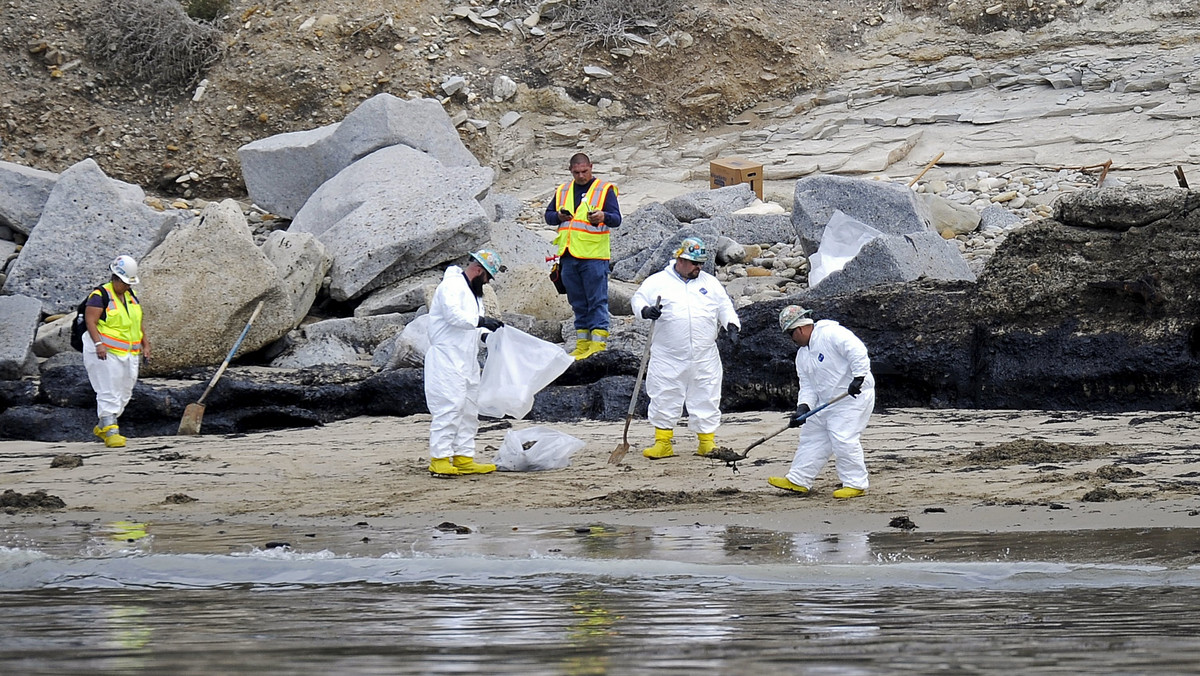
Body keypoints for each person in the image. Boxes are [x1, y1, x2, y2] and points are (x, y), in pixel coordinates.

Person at [630, 237, 740, 459]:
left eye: (700, 263)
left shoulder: (709, 283)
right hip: (668, 355)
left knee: (707, 395)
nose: (697, 267)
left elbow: (724, 305)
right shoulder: (658, 282)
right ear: (679, 259)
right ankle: (663, 442)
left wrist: (731, 324)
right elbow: (638, 298)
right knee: (664, 395)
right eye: (692, 263)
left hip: (704, 354)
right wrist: (645, 311)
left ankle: (706, 442)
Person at [769, 305, 875, 498]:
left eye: (790, 334)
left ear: (799, 329)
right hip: (826, 401)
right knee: (812, 435)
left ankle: (856, 484)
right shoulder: (802, 356)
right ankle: (799, 479)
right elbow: (808, 386)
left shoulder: (831, 333)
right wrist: (803, 408)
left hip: (852, 396)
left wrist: (859, 377)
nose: (791, 340)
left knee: (843, 437)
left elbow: (857, 351)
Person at [424, 249, 506, 477]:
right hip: (446, 359)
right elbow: (454, 317)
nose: (488, 282)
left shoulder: (473, 294)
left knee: (469, 409)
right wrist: (481, 321)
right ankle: (440, 459)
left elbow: (469, 328)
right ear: (479, 270)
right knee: (449, 407)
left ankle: (463, 456)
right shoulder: (450, 286)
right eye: (488, 277)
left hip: (466, 359)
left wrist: (485, 335)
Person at [544, 153, 621, 360]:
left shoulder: (604, 190)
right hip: (568, 254)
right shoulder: (563, 190)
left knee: (596, 300)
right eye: (577, 172)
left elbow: (616, 219)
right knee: (577, 302)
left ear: (591, 168)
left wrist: (603, 216)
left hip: (594, 256)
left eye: (584, 171)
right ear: (570, 170)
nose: (581, 176)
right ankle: (582, 343)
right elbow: (548, 216)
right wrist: (559, 216)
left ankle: (598, 343)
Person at [83, 255, 150, 448]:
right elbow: (91, 322)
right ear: (116, 278)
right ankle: (111, 430)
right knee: (108, 389)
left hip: (128, 351)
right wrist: (98, 344)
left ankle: (103, 424)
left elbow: (137, 322)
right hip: (104, 351)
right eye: (125, 282)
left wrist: (146, 344)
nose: (128, 286)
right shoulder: (99, 296)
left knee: (125, 390)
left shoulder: (130, 297)